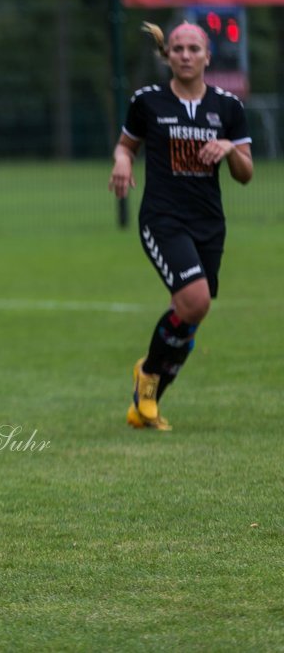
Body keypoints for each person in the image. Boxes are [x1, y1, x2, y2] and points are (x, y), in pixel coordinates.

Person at [110, 21, 253, 431]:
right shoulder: (147, 101)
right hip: (162, 218)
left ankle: (148, 392)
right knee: (196, 301)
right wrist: (122, 160)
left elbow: (245, 174)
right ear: (166, 55)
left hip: (208, 221)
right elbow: (126, 145)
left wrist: (228, 149)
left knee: (191, 312)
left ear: (208, 55)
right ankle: (149, 381)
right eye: (177, 48)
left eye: (194, 48)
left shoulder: (228, 107)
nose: (185, 55)